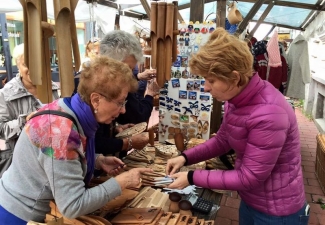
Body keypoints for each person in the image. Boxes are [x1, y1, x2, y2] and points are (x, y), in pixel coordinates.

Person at [166, 28, 309, 225]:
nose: (206, 88)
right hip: (253, 200)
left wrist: (192, 177)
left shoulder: (269, 113)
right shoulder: (235, 98)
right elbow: (223, 140)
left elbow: (249, 177)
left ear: (234, 78)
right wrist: (185, 157)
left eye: (211, 80)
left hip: (277, 212)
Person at [0, 56, 152, 224]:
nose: (123, 110)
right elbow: (72, 205)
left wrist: (97, 160)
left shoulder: (69, 107)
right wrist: (121, 183)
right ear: (96, 100)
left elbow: (54, 159)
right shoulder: (60, 132)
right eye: (120, 103)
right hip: (20, 215)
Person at [89, 30, 159, 157]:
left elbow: (97, 132)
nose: (123, 110)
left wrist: (114, 129)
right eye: (127, 69)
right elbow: (92, 142)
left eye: (132, 70)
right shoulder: (94, 87)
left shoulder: (106, 81)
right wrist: (128, 143)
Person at [0, 43, 59, 177]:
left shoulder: (53, 88)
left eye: (36, 64)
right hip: (21, 167)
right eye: (26, 64)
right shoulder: (5, 94)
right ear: (18, 65)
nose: (33, 69)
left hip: (51, 163)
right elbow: (1, 129)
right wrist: (24, 121)